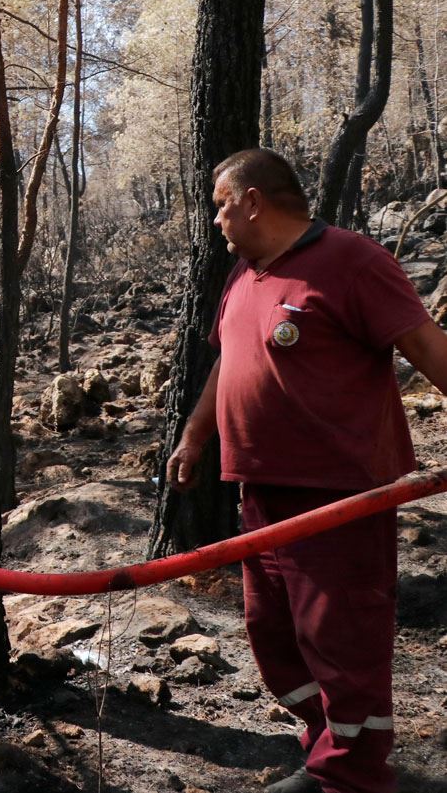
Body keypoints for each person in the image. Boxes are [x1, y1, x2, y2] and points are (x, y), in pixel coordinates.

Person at [168, 148, 447, 793]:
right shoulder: (242, 278)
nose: (216, 222)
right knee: (276, 640)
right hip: (260, 495)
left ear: (252, 201)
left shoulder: (352, 262)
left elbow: (426, 343)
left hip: (339, 496)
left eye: (220, 207)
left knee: (342, 643)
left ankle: (352, 778)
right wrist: (194, 437)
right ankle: (329, 751)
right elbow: (226, 366)